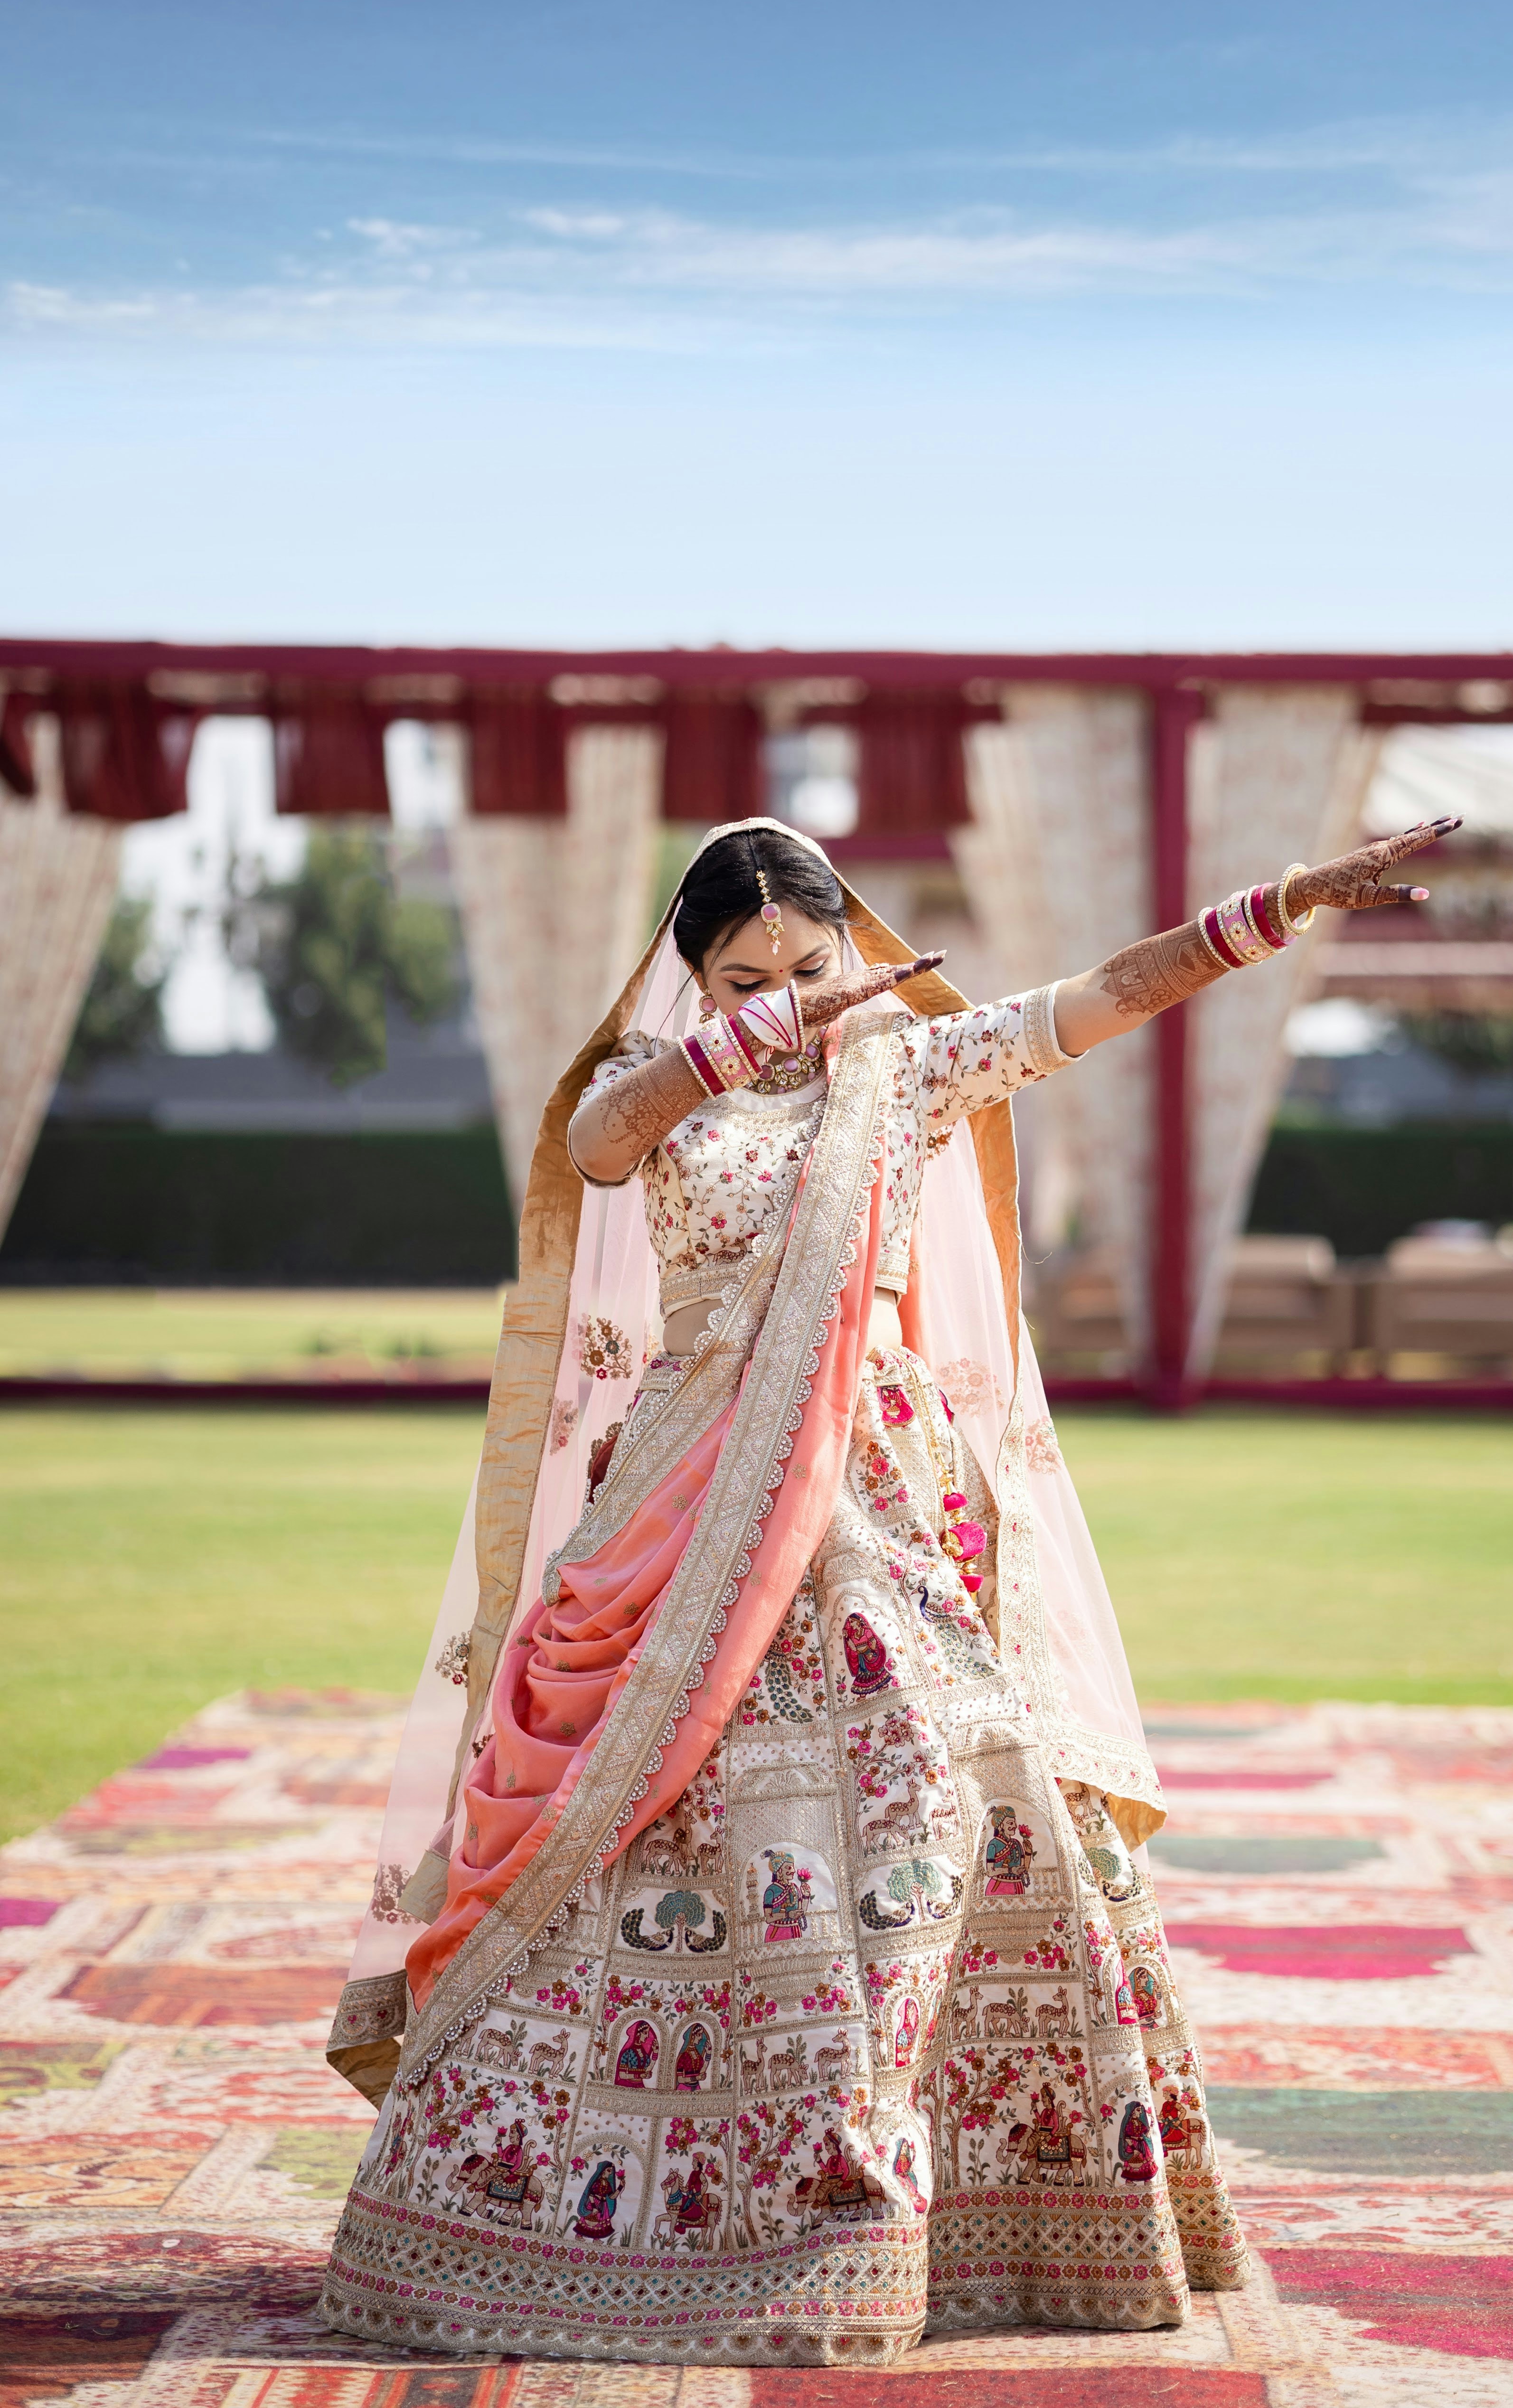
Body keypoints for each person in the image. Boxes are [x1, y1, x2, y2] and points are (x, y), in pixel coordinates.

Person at [321, 807, 1455, 2367]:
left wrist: (1275, 908)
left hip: (875, 1496)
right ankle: (601, 2208)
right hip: (685, 1501)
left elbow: (1099, 996)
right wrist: (757, 1039)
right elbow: (599, 1143)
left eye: (807, 964)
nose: (781, 997)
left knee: (932, 1808)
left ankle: (926, 2193)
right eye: (739, 977)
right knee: (661, 1814)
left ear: (849, 950)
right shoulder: (644, 1087)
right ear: (692, 977)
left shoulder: (901, 1067)